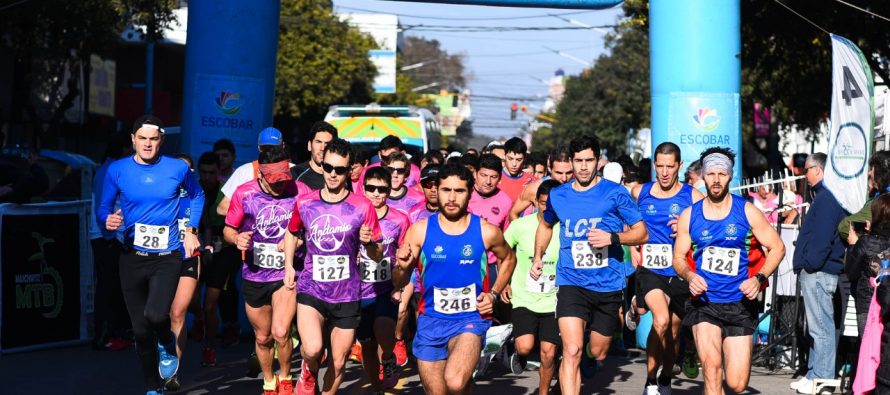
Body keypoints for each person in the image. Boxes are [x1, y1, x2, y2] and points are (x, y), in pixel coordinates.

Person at [97, 115, 205, 395]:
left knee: (157, 315)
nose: (147, 144)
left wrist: (192, 229)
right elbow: (103, 207)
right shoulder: (117, 170)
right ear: (133, 140)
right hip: (131, 256)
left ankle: (168, 343)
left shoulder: (177, 169)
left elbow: (197, 196)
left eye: (153, 139)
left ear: (162, 141)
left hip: (167, 256)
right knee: (141, 331)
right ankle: (152, 386)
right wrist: (106, 221)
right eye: (142, 138)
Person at [533, 135, 649, 394]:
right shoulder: (558, 195)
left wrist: (613, 237)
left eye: (589, 160)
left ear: (598, 161)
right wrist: (538, 255)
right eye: (578, 161)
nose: (583, 167)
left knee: (598, 350)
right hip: (571, 282)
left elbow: (642, 233)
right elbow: (545, 224)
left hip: (607, 284)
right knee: (570, 350)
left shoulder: (615, 193)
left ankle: (590, 352)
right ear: (571, 163)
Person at [393, 163, 517, 395]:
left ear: (470, 193)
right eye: (446, 190)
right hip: (430, 320)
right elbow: (399, 282)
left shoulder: (486, 231)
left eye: (459, 191)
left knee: (455, 381)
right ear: (436, 191)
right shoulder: (419, 231)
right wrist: (402, 266)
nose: (451, 197)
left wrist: (494, 294)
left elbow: (509, 258)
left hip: (470, 319)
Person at [672, 147, 785, 395]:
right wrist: (690, 276)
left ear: (730, 176)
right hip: (704, 304)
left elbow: (777, 247)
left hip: (739, 304)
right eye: (711, 173)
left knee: (736, 383)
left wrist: (759, 278)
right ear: (703, 176)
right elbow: (678, 258)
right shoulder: (690, 216)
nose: (715, 179)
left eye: (721, 174)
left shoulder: (746, 211)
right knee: (711, 371)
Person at [284, 138, 382, 395]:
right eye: (328, 168)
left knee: (338, 363)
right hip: (312, 289)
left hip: (347, 293)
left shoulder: (362, 206)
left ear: (349, 171)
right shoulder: (306, 203)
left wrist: (370, 243)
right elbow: (292, 232)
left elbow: (378, 253)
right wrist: (287, 267)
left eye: (340, 170)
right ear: (322, 165)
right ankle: (308, 367)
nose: (333, 175)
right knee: (314, 349)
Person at [225, 145, 307, 395]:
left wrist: (297, 242)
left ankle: (285, 377)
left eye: (284, 179)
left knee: (281, 332)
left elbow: (311, 229)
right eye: (274, 181)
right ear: (260, 175)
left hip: (286, 273)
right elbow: (229, 228)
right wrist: (237, 239)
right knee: (263, 337)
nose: (280, 185)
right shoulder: (244, 193)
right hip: (254, 272)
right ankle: (269, 380)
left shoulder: (300, 191)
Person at [630, 142, 704, 395]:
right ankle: (650, 379)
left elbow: (708, 229)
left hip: (679, 270)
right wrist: (631, 249)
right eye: (659, 166)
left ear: (679, 166)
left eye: (669, 167)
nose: (663, 172)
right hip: (651, 269)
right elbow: (625, 218)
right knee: (660, 321)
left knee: (673, 332)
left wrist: (686, 229)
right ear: (654, 165)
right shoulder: (640, 192)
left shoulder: (693, 196)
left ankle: (665, 378)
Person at [790, 152, 848, 394]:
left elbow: (822, 238)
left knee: (821, 328)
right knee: (817, 328)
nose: (805, 174)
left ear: (818, 169)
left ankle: (822, 379)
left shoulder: (826, 198)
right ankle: (815, 374)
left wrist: (809, 264)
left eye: (807, 169)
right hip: (818, 270)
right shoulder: (825, 196)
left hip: (820, 271)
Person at [357, 167, 411, 394]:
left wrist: (400, 286)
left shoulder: (399, 219)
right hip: (357, 290)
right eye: (371, 188)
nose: (376, 194)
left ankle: (388, 357)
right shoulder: (352, 214)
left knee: (384, 332)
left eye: (382, 189)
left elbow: (406, 257)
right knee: (367, 346)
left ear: (389, 191)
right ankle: (377, 387)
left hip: (385, 288)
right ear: (363, 188)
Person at [506, 179, 562, 395]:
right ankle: (513, 348)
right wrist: (503, 283)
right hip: (524, 297)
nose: (547, 208)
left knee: (548, 353)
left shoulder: (564, 228)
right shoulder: (520, 225)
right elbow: (503, 254)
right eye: (542, 203)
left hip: (554, 300)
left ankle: (544, 391)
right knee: (525, 347)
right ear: (536, 202)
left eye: (552, 204)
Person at [394, 164, 442, 366]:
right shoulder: (413, 214)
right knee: (411, 314)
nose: (433, 189)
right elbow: (404, 248)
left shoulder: (454, 213)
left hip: (443, 278)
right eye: (428, 185)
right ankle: (405, 343)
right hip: (417, 276)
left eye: (436, 184)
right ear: (421, 187)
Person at [91, 132, 134, 351]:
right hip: (106, 238)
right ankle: (103, 336)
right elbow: (102, 206)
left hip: (113, 238)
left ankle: (114, 332)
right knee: (107, 288)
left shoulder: (114, 169)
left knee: (115, 287)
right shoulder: (108, 170)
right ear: (124, 148)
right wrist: (109, 237)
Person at [165, 154, 205, 391]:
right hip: (163, 259)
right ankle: (162, 354)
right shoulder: (163, 194)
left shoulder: (196, 195)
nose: (184, 175)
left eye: (188, 171)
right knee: (161, 314)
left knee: (178, 313)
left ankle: (173, 372)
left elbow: (205, 224)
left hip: (189, 258)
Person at [846, 194, 890, 338]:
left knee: (866, 351)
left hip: (867, 304)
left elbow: (851, 273)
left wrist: (853, 246)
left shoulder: (865, 242)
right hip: (886, 304)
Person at [509, 146, 574, 220]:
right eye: (559, 173)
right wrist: (524, 231)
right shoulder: (534, 188)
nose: (564, 178)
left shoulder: (579, 187)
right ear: (549, 167)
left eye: (569, 173)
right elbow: (513, 214)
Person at [292, 121, 337, 191]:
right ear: (309, 145)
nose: (323, 148)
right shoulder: (295, 174)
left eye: (327, 143)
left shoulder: (341, 175)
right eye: (318, 142)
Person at [498, 137, 536, 202]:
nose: (514, 164)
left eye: (519, 160)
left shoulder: (533, 182)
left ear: (525, 158)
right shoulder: (495, 178)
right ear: (504, 156)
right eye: (510, 159)